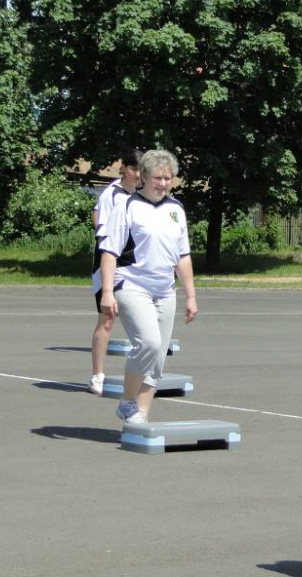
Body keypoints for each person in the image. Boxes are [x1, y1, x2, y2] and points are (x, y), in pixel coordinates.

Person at [98, 149, 198, 423]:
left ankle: (138, 418)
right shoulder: (127, 206)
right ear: (143, 176)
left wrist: (190, 296)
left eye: (168, 178)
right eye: (158, 177)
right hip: (131, 284)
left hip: (165, 291)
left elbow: (183, 255)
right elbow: (109, 252)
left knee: (157, 361)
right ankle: (128, 401)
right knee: (150, 344)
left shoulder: (176, 210)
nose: (164, 183)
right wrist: (107, 292)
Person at [87, 150, 143, 395]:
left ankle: (142, 374)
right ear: (124, 168)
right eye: (134, 169)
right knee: (107, 319)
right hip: (109, 264)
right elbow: (103, 232)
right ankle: (98, 375)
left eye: (142, 170)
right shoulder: (112, 194)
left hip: (134, 265)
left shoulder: (143, 195)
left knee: (141, 320)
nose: (138, 174)